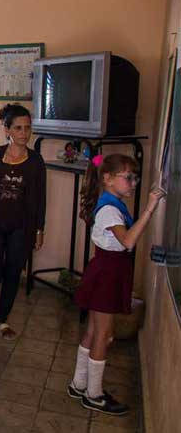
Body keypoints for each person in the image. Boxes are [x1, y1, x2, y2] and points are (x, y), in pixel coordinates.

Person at [68, 154, 163, 415]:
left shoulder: (112, 202)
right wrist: (150, 207)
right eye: (129, 178)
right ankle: (94, 394)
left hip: (107, 271)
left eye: (136, 178)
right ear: (108, 179)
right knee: (105, 335)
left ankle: (79, 384)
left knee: (92, 332)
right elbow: (129, 241)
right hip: (107, 273)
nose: (133, 183)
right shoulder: (110, 209)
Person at [0, 104, 46, 341]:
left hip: (21, 228)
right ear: (7, 130)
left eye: (28, 128)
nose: (24, 133)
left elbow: (41, 198)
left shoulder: (36, 161)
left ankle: (2, 319)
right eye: (18, 128)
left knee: (13, 274)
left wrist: (39, 229)